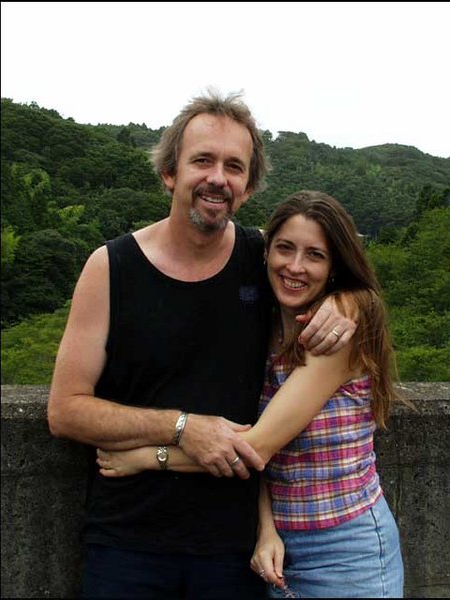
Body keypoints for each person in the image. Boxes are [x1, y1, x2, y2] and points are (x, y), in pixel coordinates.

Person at [47, 91, 356, 600]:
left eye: (234, 167)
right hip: (126, 543)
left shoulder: (263, 259)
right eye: (202, 161)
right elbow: (65, 411)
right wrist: (183, 428)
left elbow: (338, 274)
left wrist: (350, 303)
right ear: (170, 172)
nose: (218, 178)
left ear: (248, 187)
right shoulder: (111, 268)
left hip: (234, 551)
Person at [97, 190, 406, 599]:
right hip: (276, 552)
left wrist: (147, 457)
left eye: (315, 255)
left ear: (335, 266)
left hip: (346, 548)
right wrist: (267, 530)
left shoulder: (334, 335)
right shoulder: (262, 325)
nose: (295, 266)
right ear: (266, 252)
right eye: (285, 248)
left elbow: (255, 447)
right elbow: (261, 449)